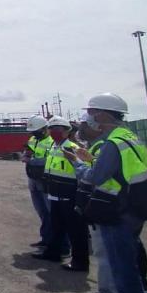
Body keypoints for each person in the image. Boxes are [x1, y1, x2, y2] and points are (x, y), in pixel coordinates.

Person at [69, 94, 147, 293]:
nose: (90, 117)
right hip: (134, 207)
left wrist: (79, 165)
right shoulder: (130, 137)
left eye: (92, 112)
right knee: (129, 264)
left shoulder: (113, 142)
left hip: (117, 210)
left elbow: (96, 176)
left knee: (123, 271)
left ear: (103, 114)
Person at [32, 116, 89, 272]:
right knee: (57, 225)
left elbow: (84, 170)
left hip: (69, 193)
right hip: (55, 193)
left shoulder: (72, 148)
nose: (55, 132)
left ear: (67, 131)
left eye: (59, 129)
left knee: (75, 229)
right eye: (52, 129)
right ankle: (53, 253)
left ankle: (80, 262)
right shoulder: (54, 147)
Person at [22, 115, 54, 248]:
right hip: (33, 180)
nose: (34, 134)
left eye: (36, 131)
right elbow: (29, 152)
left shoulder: (52, 142)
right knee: (42, 212)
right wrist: (26, 154)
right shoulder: (33, 139)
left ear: (45, 129)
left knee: (52, 212)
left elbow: (50, 160)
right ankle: (45, 239)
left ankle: (57, 243)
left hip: (46, 181)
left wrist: (31, 160)